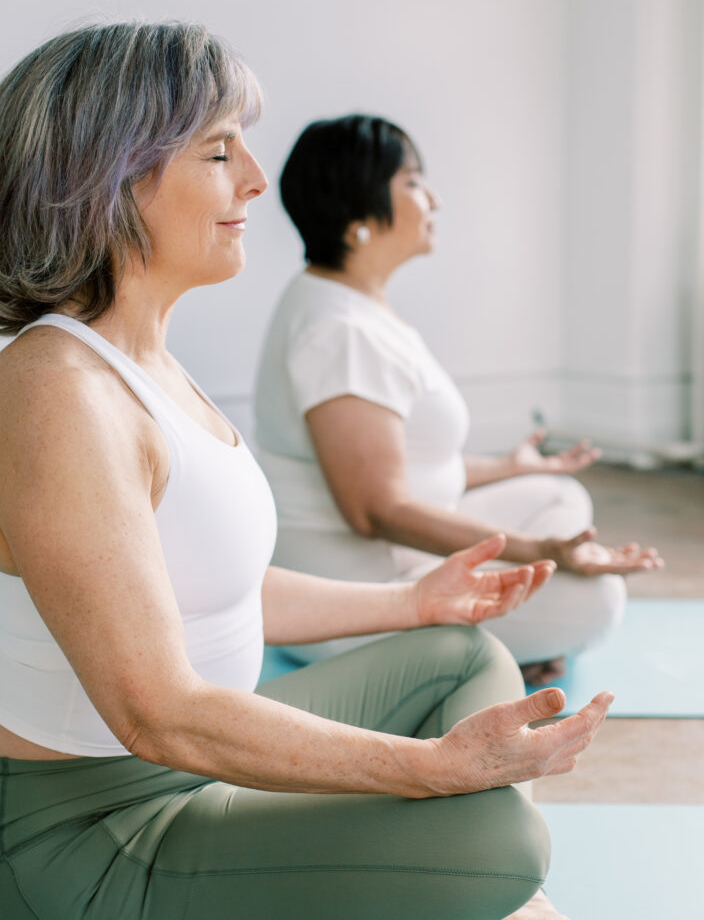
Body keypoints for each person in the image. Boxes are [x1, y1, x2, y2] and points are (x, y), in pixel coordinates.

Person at [0, 23, 677, 920]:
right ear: (109, 179)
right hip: (97, 855)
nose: (256, 180)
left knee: (458, 659)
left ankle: (474, 916)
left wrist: (409, 599)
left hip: (194, 779)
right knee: (499, 844)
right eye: (219, 152)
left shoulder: (146, 366)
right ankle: (489, 918)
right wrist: (428, 773)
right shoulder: (54, 391)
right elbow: (155, 709)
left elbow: (212, 592)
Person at [253, 115, 663, 680]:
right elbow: (377, 510)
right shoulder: (342, 334)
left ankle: (506, 635)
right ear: (358, 212)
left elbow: (404, 464)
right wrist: (540, 547)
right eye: (414, 182)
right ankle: (464, 646)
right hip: (358, 602)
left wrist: (508, 468)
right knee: (596, 601)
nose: (435, 200)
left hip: (396, 558)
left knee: (555, 493)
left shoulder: (345, 303)